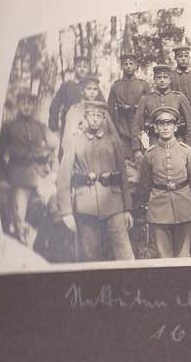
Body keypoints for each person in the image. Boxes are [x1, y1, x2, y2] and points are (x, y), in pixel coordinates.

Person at [56, 100, 135, 261]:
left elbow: (123, 178)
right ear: (85, 117)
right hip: (86, 207)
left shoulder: (113, 142)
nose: (95, 119)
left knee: (125, 254)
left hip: (114, 205)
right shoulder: (75, 142)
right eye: (92, 115)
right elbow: (63, 179)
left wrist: (127, 208)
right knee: (91, 257)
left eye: (99, 116)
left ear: (104, 118)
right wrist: (66, 212)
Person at [138, 106, 191, 258]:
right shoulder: (150, 154)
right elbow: (145, 183)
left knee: (184, 255)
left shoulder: (186, 151)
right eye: (161, 123)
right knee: (163, 256)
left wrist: (186, 196)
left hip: (183, 204)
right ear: (156, 128)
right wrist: (149, 203)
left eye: (169, 123)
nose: (165, 127)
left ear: (176, 127)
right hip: (158, 207)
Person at [0, 93, 58, 245]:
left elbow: (54, 143)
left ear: (33, 106)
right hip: (19, 177)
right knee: (19, 218)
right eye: (23, 103)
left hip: (41, 177)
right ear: (18, 105)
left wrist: (48, 157)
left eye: (29, 103)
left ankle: (45, 244)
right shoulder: (8, 127)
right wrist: (2, 178)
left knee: (54, 208)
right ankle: (22, 248)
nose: (26, 106)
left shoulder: (40, 126)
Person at [132, 64, 191, 163]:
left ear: (170, 79)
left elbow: (190, 123)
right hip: (154, 141)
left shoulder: (178, 97)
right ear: (154, 79)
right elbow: (136, 125)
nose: (162, 80)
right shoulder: (146, 99)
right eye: (159, 77)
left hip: (177, 140)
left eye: (165, 77)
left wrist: (189, 146)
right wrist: (136, 149)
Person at [62, 75, 119, 155]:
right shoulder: (74, 110)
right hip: (80, 152)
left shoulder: (103, 111)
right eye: (88, 89)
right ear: (82, 91)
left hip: (100, 153)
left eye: (95, 89)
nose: (92, 92)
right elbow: (68, 138)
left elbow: (113, 136)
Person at [107, 53, 150, 153]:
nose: (128, 66)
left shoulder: (143, 84)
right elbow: (110, 109)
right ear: (121, 66)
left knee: (142, 157)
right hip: (122, 128)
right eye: (126, 64)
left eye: (131, 63)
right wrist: (114, 129)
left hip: (140, 128)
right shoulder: (116, 85)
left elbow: (150, 106)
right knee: (124, 158)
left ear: (136, 66)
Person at [48, 55, 90, 155]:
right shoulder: (67, 86)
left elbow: (101, 105)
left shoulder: (92, 87)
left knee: (85, 153)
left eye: (85, 67)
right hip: (69, 125)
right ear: (74, 68)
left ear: (88, 69)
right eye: (79, 66)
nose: (82, 69)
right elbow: (55, 106)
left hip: (88, 125)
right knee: (67, 152)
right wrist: (54, 126)